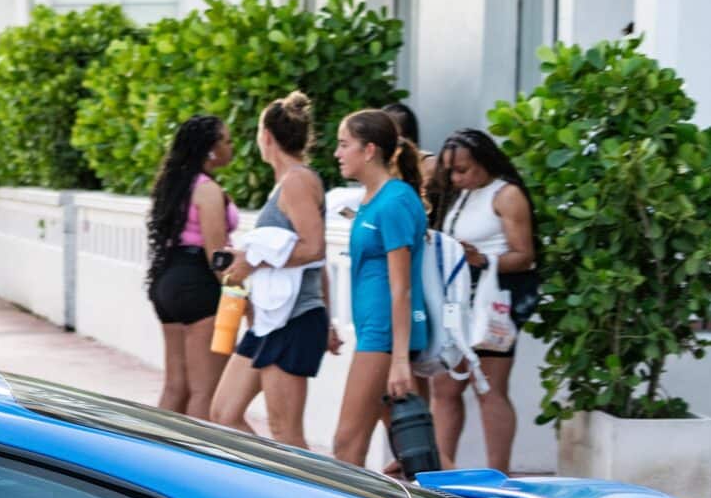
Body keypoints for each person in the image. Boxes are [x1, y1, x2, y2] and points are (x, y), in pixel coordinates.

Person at [210, 93, 333, 447]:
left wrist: (253, 260)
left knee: (286, 433)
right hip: (271, 321)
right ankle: (270, 483)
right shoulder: (286, 184)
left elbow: (314, 247)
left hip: (294, 319)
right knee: (224, 415)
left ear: (266, 137)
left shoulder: (297, 181)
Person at [329, 108, 434, 470]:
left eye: (345, 145)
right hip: (376, 333)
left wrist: (400, 361)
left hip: (385, 338)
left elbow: (402, 287)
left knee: (347, 445)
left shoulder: (395, 201)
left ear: (369, 150)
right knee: (419, 452)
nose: (337, 153)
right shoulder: (371, 201)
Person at [427, 128, 536, 472]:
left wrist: (483, 260)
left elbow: (525, 255)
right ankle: (440, 472)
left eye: (464, 169)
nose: (457, 177)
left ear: (485, 162)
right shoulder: (457, 194)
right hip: (456, 299)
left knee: (489, 387)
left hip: (493, 302)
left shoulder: (506, 195)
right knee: (444, 387)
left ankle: (499, 475)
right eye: (451, 171)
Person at [144, 115, 236, 418]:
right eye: (226, 140)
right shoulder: (207, 189)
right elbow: (217, 256)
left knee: (175, 386)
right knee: (204, 393)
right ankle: (196, 463)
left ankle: (152, 455)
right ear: (210, 149)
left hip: (166, 284)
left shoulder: (173, 185)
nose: (231, 146)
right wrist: (239, 295)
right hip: (200, 288)